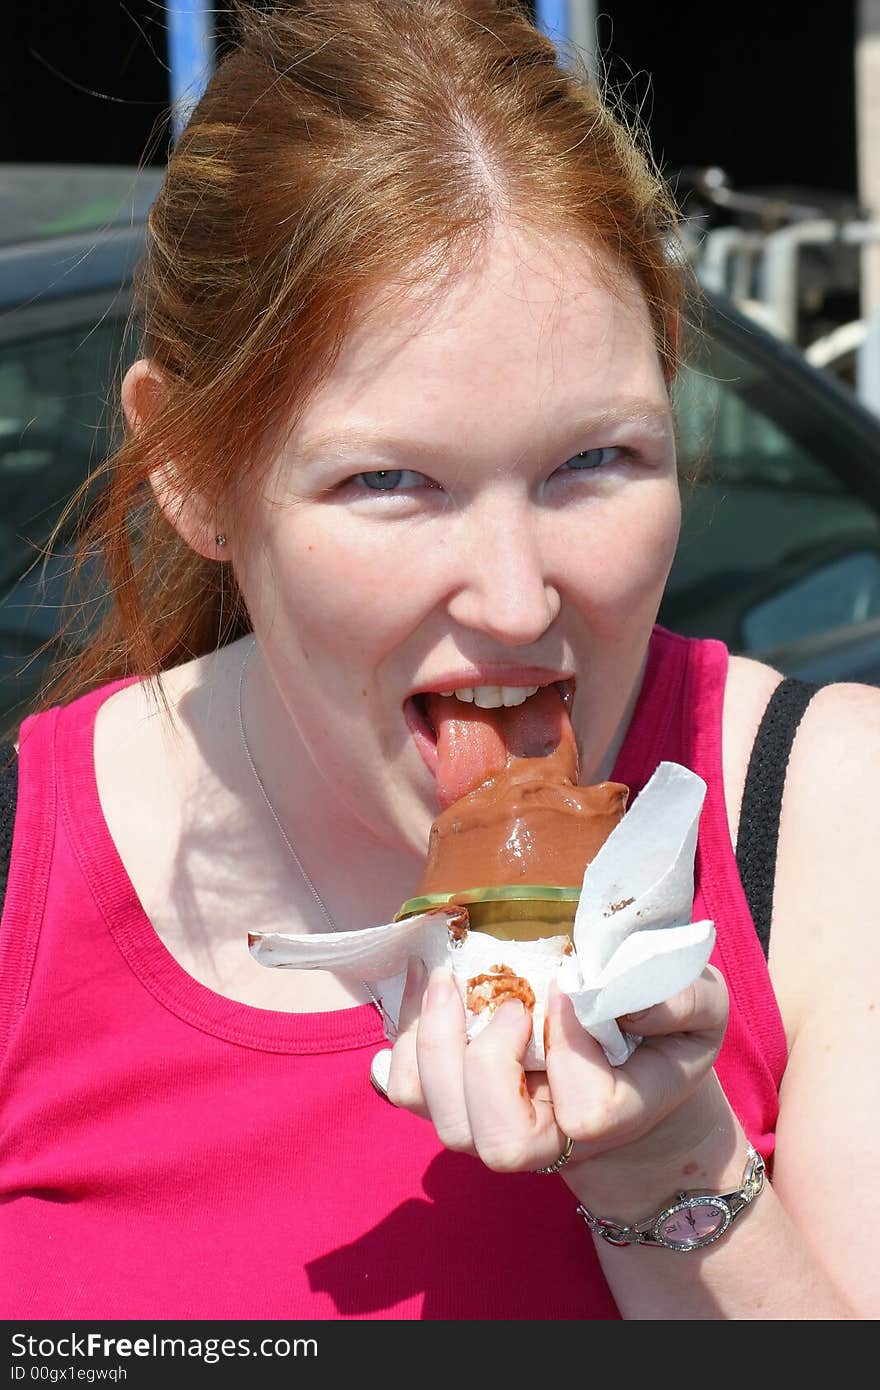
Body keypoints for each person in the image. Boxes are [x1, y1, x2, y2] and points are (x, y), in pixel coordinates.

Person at [0, 0, 877, 1322]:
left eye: (598, 459)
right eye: (391, 480)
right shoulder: (22, 873)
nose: (522, 602)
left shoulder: (826, 823)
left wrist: (670, 1163)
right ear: (188, 469)